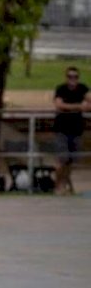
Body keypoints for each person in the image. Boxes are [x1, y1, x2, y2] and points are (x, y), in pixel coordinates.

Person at [53, 66, 90, 195]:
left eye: (75, 77)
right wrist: (79, 106)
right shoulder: (61, 89)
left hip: (77, 130)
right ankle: (57, 186)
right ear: (66, 77)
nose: (73, 79)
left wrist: (70, 107)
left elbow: (89, 102)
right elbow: (59, 104)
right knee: (61, 160)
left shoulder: (83, 89)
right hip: (62, 129)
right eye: (70, 76)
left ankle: (66, 185)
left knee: (70, 161)